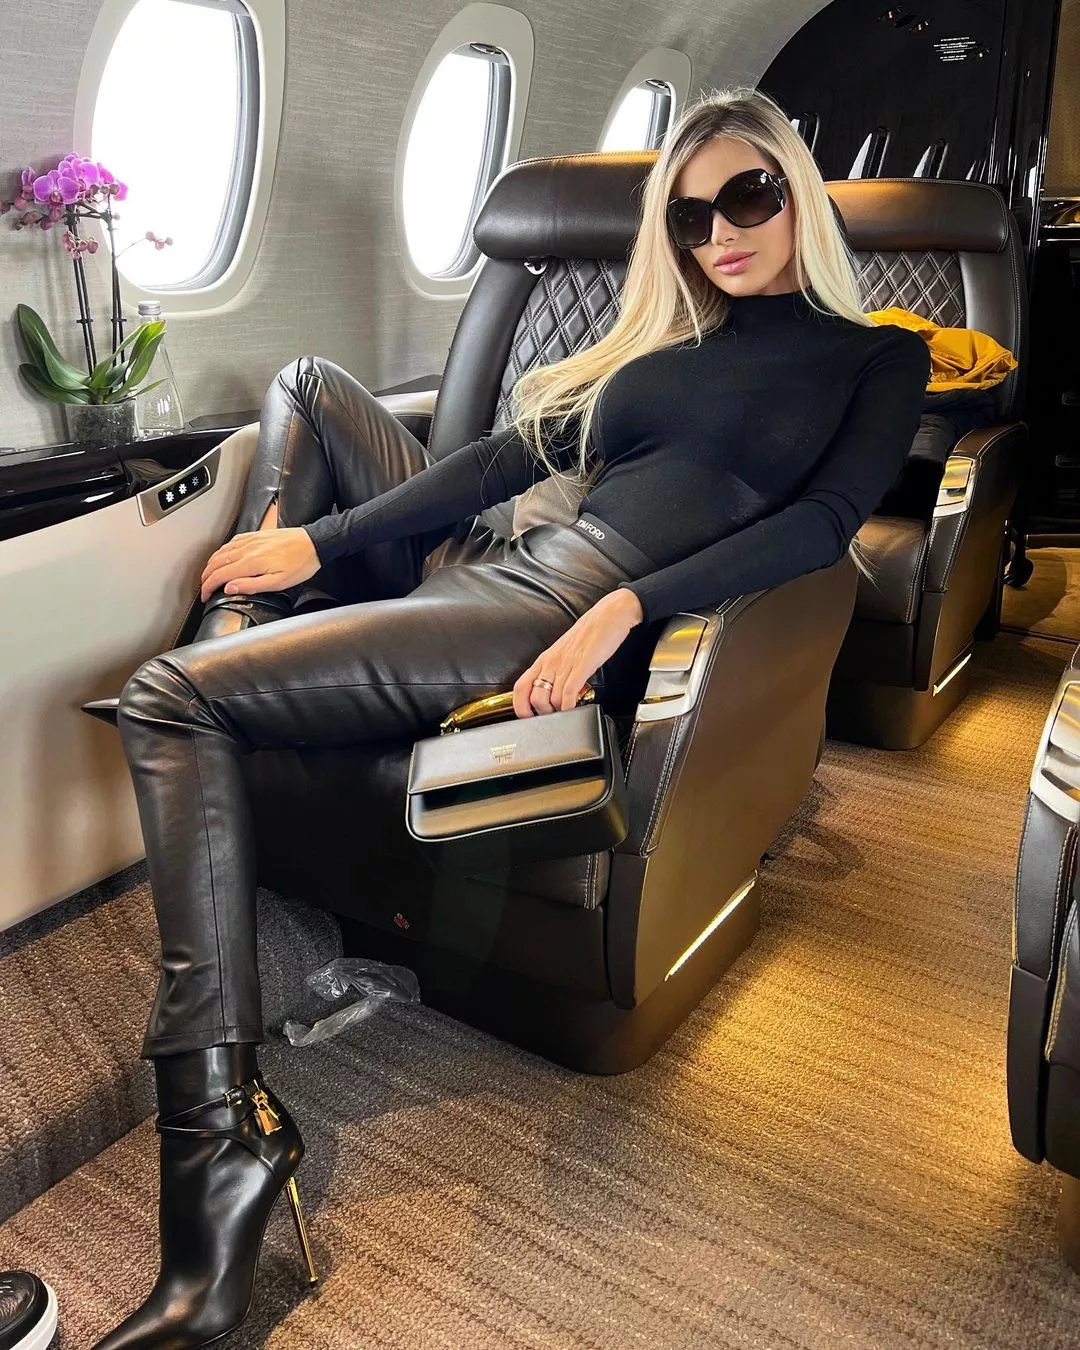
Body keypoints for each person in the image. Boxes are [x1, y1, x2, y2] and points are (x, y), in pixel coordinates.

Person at [93, 85, 931, 1348]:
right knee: (307, 386)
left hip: (559, 601)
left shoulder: (871, 357)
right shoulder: (666, 346)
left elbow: (823, 528)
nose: (720, 234)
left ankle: (217, 1140)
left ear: (795, 196)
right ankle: (251, 643)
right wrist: (317, 539)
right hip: (499, 565)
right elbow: (505, 459)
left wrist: (626, 607)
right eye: (690, 217)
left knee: (167, 697)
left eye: (747, 199)